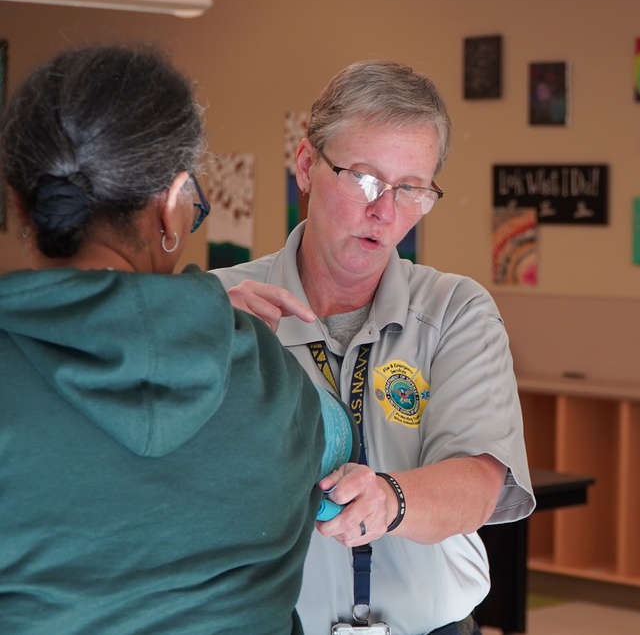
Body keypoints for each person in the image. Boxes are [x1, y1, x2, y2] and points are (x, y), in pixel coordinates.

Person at [0, 44, 339, 634]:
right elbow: (335, 439)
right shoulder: (273, 384)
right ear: (172, 203)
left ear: (19, 203)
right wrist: (196, 319)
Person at [214, 59, 536, 635]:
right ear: (307, 165)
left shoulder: (454, 310)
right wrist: (209, 350)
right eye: (364, 179)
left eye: (411, 189)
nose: (384, 212)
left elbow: (480, 484)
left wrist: (390, 498)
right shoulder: (221, 307)